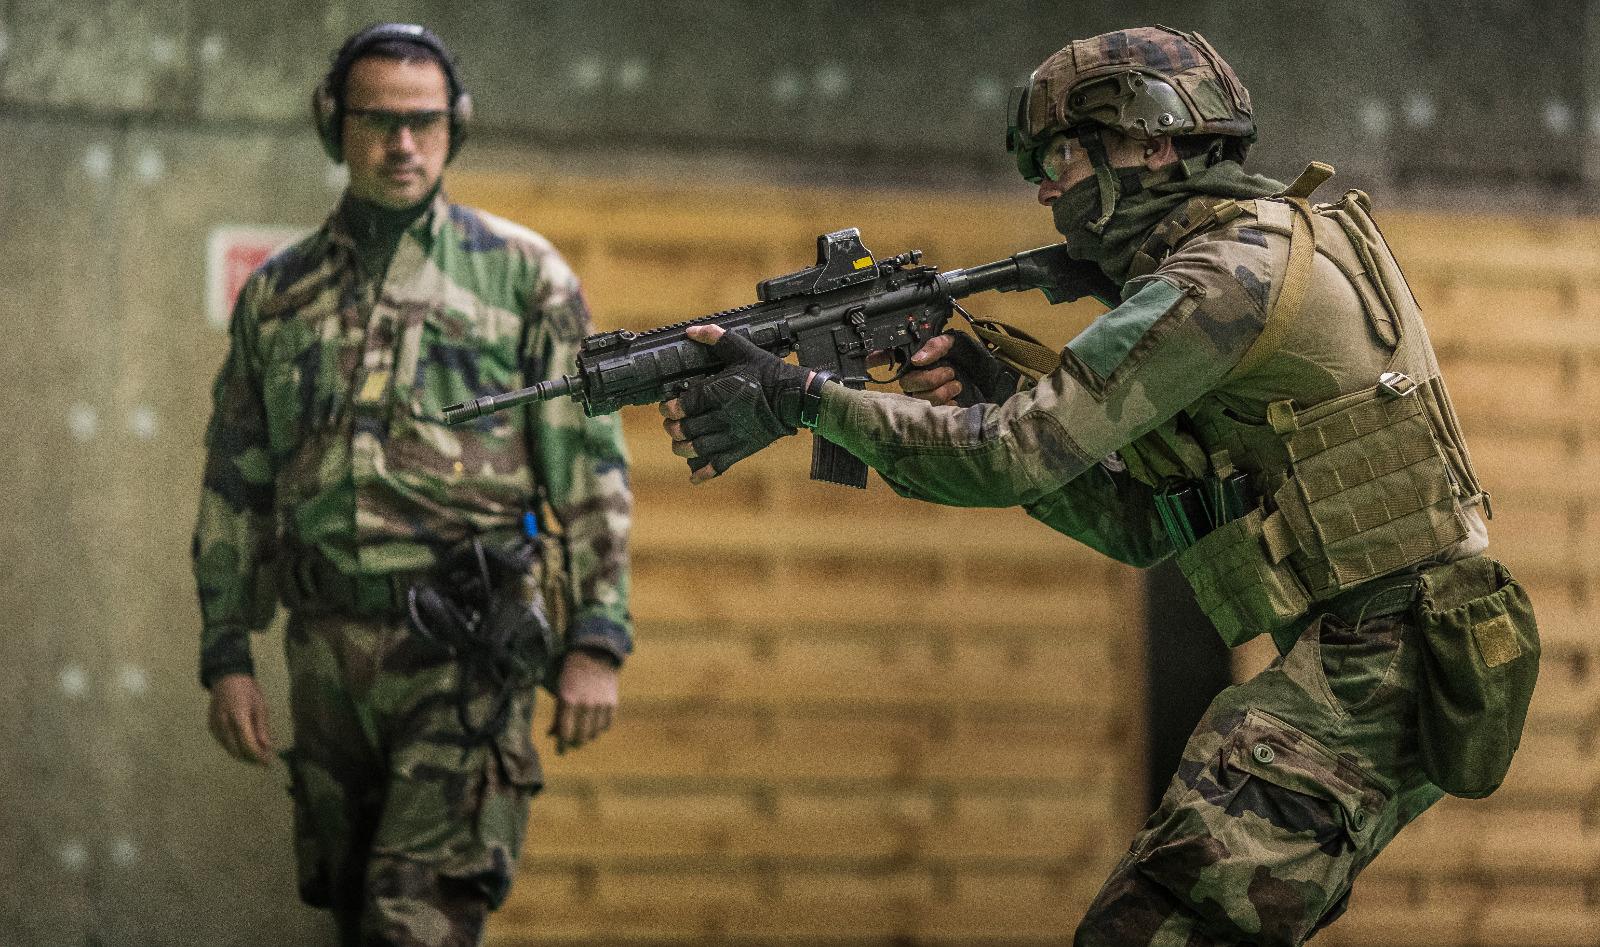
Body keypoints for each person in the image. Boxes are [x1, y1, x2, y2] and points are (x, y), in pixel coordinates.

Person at [660, 26, 1537, 946]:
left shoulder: (1222, 275)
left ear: (1153, 142)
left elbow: (1008, 456)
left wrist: (805, 398)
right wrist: (1001, 388)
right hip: (1381, 654)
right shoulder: (1260, 247)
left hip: (1377, 661)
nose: (1046, 188)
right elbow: (1141, 525)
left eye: (1065, 156)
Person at [193, 23, 632, 947]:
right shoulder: (278, 293)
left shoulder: (524, 275)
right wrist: (227, 648)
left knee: (415, 918)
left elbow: (587, 463)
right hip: (324, 653)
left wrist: (598, 634)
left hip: (462, 646)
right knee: (354, 912)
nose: (403, 145)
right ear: (334, 128)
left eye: (424, 122)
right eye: (379, 122)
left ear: (454, 128)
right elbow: (238, 475)